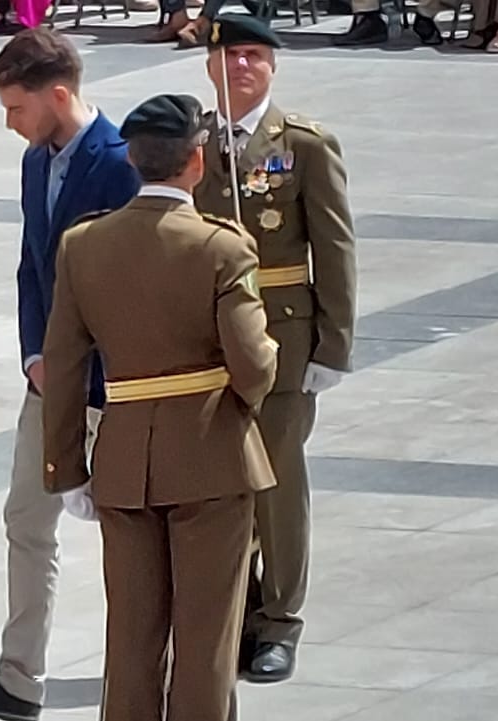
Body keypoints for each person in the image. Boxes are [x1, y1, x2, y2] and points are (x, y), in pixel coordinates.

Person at [0, 27, 140, 721]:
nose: (9, 122)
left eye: (16, 107)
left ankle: (139, 676)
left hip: (108, 386)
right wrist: (33, 354)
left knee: (127, 536)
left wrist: (91, 372)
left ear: (56, 94)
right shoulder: (34, 162)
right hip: (47, 382)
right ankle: (20, 676)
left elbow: (130, 288)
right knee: (27, 519)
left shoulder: (120, 164)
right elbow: (31, 268)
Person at [43, 93, 279, 721]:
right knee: (205, 640)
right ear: (196, 161)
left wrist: (65, 469)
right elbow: (253, 362)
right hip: (211, 457)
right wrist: (241, 406)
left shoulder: (83, 246)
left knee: (132, 638)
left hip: (122, 460)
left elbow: (63, 367)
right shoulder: (222, 248)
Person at [191, 13, 357, 686]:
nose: (241, 68)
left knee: (278, 484)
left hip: (284, 336)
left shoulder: (303, 144)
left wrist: (334, 345)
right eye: (230, 57)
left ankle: (280, 620)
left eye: (255, 56)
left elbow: (334, 246)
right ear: (210, 65)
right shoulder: (194, 140)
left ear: (273, 66)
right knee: (221, 486)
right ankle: (237, 612)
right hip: (207, 340)